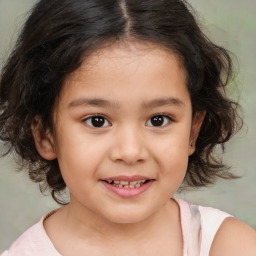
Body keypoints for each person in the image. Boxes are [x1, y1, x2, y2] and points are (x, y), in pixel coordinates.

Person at [0, 0, 255, 255]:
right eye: (97, 121)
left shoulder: (231, 246)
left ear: (193, 131)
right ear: (46, 134)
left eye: (158, 119)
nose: (131, 152)